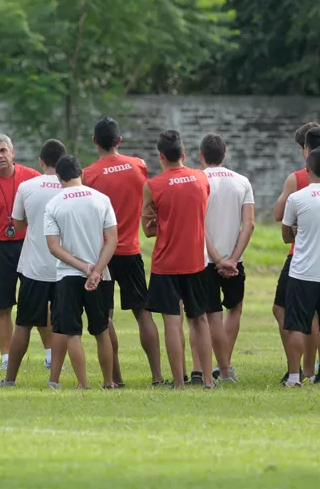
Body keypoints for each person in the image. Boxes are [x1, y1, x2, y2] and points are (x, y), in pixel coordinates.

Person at [82, 117, 162, 385]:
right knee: (143, 313)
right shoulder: (138, 165)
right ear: (119, 141)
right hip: (130, 249)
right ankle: (157, 376)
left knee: (106, 317)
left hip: (101, 254)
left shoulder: (89, 174)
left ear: (95, 141)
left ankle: (115, 378)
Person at [272, 125, 320, 383]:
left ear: (307, 151)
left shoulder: (297, 178)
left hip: (301, 259)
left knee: (291, 315)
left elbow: (279, 217)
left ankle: (300, 371)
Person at [142, 130, 213, 388]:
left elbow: (148, 229)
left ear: (161, 156)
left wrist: (162, 224)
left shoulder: (152, 186)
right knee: (200, 319)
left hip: (166, 263)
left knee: (172, 321)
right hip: (195, 259)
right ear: (184, 153)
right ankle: (207, 380)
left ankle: (179, 383)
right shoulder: (201, 178)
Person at [44, 155, 119, 389]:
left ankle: (83, 383)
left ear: (59, 178)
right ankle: (108, 381)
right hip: (100, 276)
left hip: (68, 276)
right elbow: (113, 239)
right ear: (82, 173)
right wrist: (96, 270)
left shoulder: (54, 204)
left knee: (72, 332)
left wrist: (82, 267)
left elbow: (54, 246)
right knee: (101, 329)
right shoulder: (101, 199)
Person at [0, 140, 66, 387]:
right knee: (60, 325)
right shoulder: (69, 187)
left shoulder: (27, 186)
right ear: (64, 161)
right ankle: (54, 380)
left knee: (23, 324)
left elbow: (17, 225)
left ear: (41, 162)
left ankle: (10, 379)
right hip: (63, 267)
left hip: (33, 267)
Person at [0, 132, 44, 371]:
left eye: (2, 151)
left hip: (29, 245)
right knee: (2, 306)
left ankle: (49, 354)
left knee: (40, 302)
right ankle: (6, 357)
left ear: (12, 152)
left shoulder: (32, 178)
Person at [199, 133, 255, 383]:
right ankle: (226, 366)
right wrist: (232, 258)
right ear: (224, 155)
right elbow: (249, 224)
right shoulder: (242, 181)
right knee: (234, 309)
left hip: (204, 260)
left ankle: (217, 368)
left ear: (202, 156)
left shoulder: (198, 181)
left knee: (211, 315)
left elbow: (198, 225)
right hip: (235, 260)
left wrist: (217, 258)